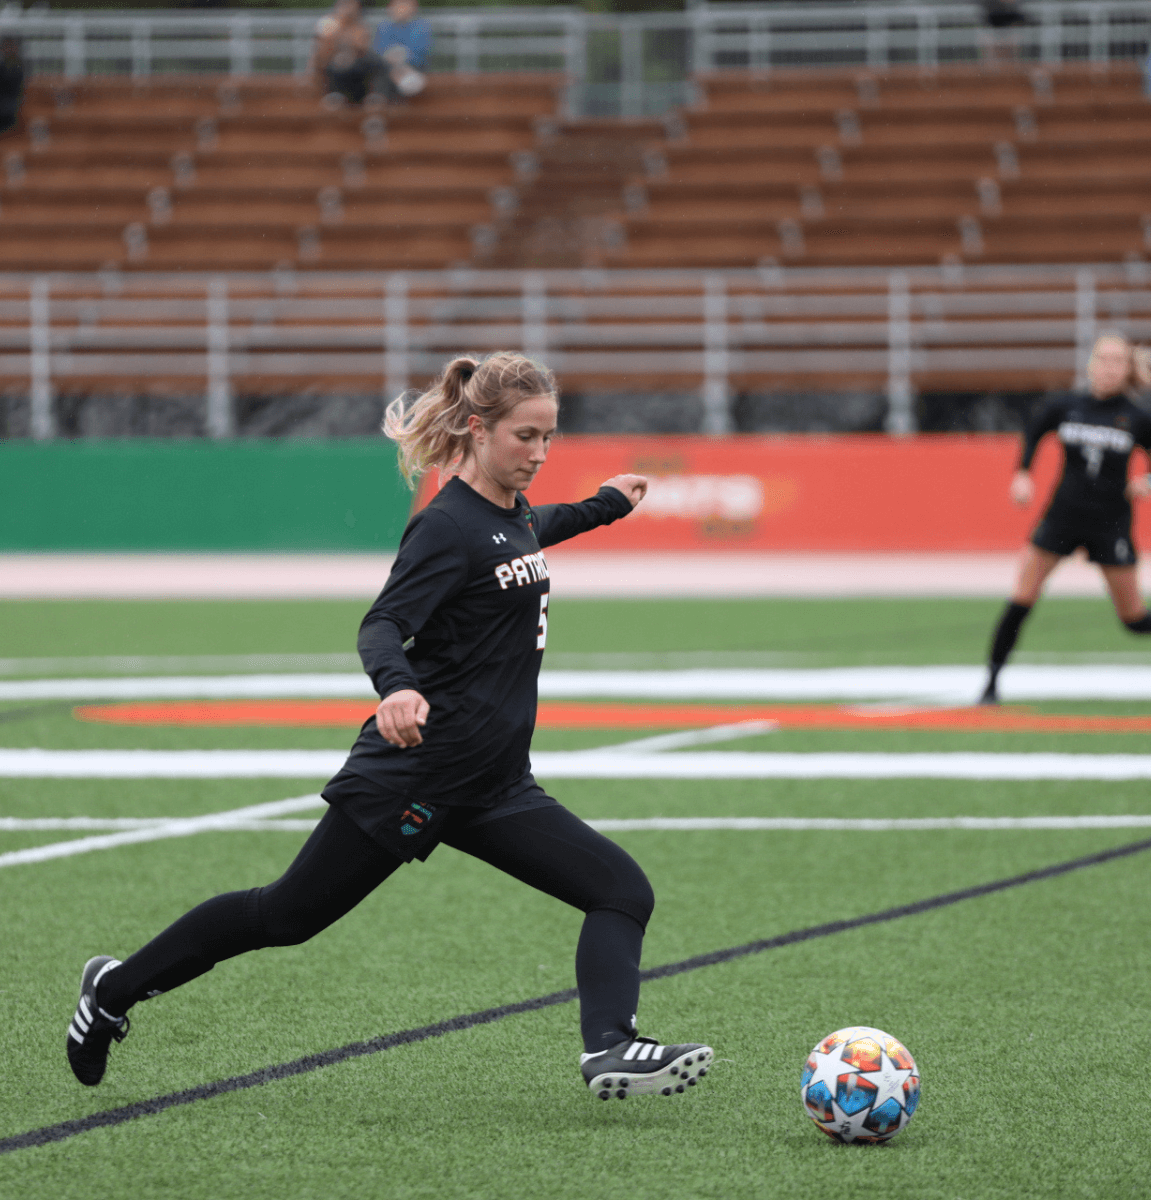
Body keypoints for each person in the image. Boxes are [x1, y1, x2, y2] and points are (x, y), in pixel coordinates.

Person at [65, 352, 715, 1102]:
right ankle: (113, 990)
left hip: (494, 783)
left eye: (548, 438)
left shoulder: (509, 512)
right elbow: (383, 624)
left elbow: (533, 534)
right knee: (286, 915)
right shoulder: (446, 525)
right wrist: (397, 688)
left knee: (621, 890)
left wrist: (606, 503)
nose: (538, 454)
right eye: (524, 437)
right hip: (417, 773)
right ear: (478, 429)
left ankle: (611, 1047)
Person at [979, 332, 1151, 704]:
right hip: (1062, 518)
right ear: (1090, 364)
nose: (1107, 368)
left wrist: (1150, 480)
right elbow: (1035, 430)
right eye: (1101, 359)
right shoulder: (1067, 406)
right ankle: (990, 683)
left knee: (1133, 617)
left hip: (1110, 523)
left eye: (1116, 361)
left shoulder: (1136, 418)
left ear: (1127, 369)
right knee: (1022, 597)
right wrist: (1022, 473)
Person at [312, 0, 386, 108]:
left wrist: (344, 35)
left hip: (357, 66)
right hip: (334, 65)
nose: (348, 9)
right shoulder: (328, 23)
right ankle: (335, 96)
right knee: (334, 65)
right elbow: (322, 54)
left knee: (376, 62)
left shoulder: (360, 25)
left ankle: (375, 96)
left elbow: (362, 48)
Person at [374, 0, 430, 99]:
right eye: (397, 5)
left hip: (413, 68)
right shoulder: (384, 27)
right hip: (387, 68)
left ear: (414, 8)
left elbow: (419, 53)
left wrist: (400, 61)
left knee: (404, 80)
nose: (400, 8)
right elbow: (379, 50)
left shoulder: (421, 27)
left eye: (404, 5)